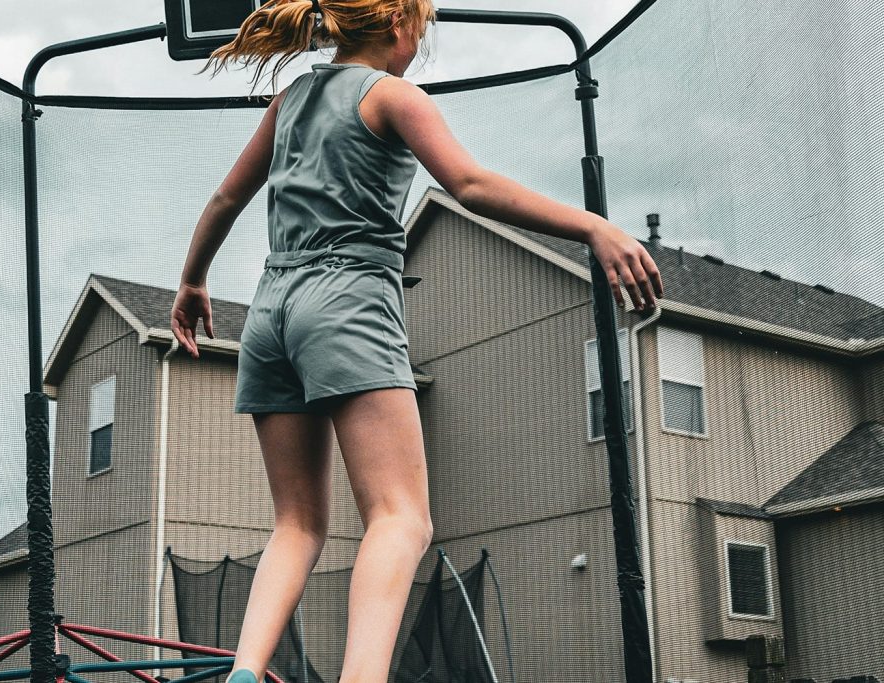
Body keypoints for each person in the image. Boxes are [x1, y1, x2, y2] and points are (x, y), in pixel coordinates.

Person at [170, 1, 664, 681]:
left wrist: (193, 280)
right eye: (422, 31)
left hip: (271, 309)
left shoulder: (292, 98)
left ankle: (246, 671)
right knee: (401, 518)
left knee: (297, 523)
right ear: (399, 24)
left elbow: (226, 199)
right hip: (346, 303)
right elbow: (469, 183)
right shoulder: (394, 96)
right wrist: (594, 227)